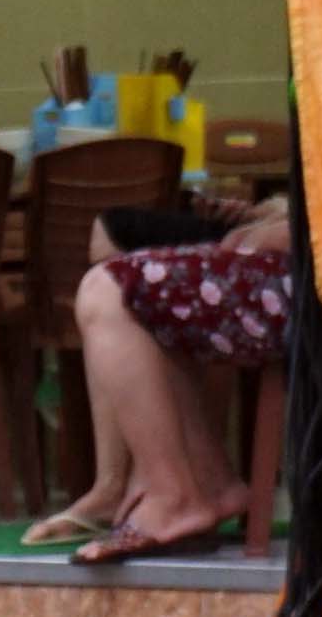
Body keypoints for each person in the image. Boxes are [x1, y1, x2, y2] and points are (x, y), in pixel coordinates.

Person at [29, 191, 290, 563]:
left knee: (111, 287)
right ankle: (200, 480)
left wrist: (296, 227)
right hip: (318, 242)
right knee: (114, 244)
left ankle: (174, 497)